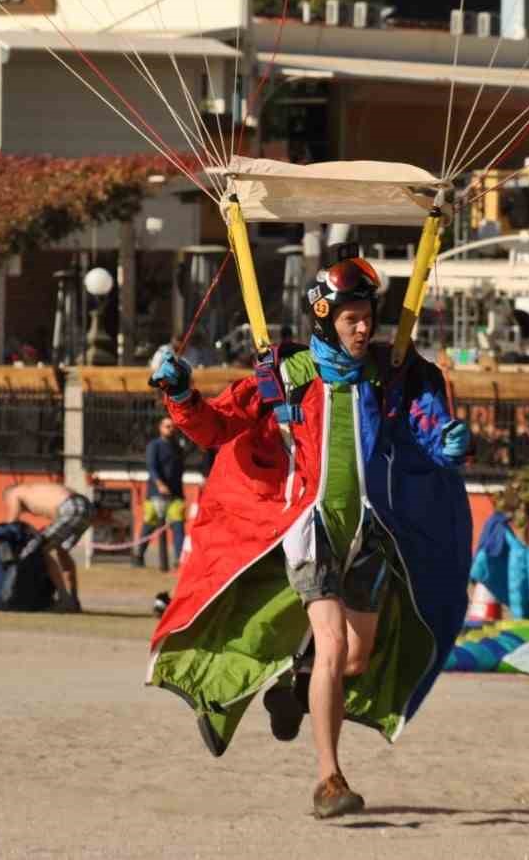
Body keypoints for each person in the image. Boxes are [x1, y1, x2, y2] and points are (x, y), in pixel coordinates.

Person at [145, 253, 473, 820]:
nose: (364, 328)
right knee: (333, 643)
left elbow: (420, 429)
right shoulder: (287, 378)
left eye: (368, 316)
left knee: (355, 658)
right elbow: (216, 427)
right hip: (310, 526)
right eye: (351, 319)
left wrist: (446, 442)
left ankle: (294, 693)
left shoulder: (389, 374)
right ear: (325, 318)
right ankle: (329, 780)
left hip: (370, 532)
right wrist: (181, 396)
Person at [3, 482, 115, 613]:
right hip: (85, 506)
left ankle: (64, 599)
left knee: (40, 550)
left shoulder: (14, 493)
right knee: (62, 551)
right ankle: (73, 601)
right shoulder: (35, 489)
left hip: (71, 507)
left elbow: (11, 524)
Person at [137, 416, 188, 570]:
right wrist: (159, 484)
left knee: (178, 525)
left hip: (176, 494)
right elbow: (151, 467)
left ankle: (179, 559)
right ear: (160, 428)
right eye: (167, 426)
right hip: (155, 493)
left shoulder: (178, 447)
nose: (170, 429)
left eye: (172, 426)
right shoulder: (154, 445)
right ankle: (139, 555)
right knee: (149, 524)